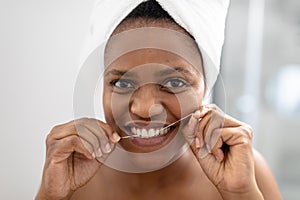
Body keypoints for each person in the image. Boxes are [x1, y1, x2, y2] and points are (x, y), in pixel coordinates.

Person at [36, 1, 282, 199]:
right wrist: (50, 196)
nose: (144, 109)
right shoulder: (73, 175)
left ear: (205, 87)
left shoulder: (247, 174)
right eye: (122, 83)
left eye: (175, 83)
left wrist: (240, 194)